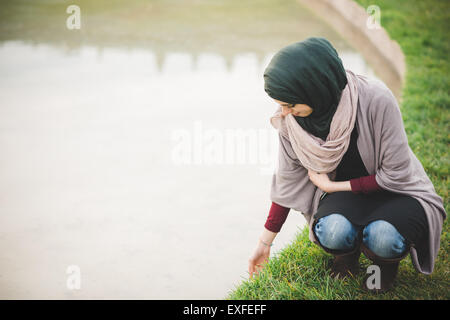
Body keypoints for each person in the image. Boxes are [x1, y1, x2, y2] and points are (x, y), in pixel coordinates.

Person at [248, 37, 446, 293]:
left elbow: (396, 175)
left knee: (383, 236)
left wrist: (332, 185)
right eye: (281, 104)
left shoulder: (376, 99)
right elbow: (288, 182)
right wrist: (265, 243)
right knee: (333, 230)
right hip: (346, 198)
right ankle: (346, 257)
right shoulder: (291, 123)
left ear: (314, 88)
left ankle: (383, 266)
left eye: (290, 104)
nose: (283, 111)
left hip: (397, 192)